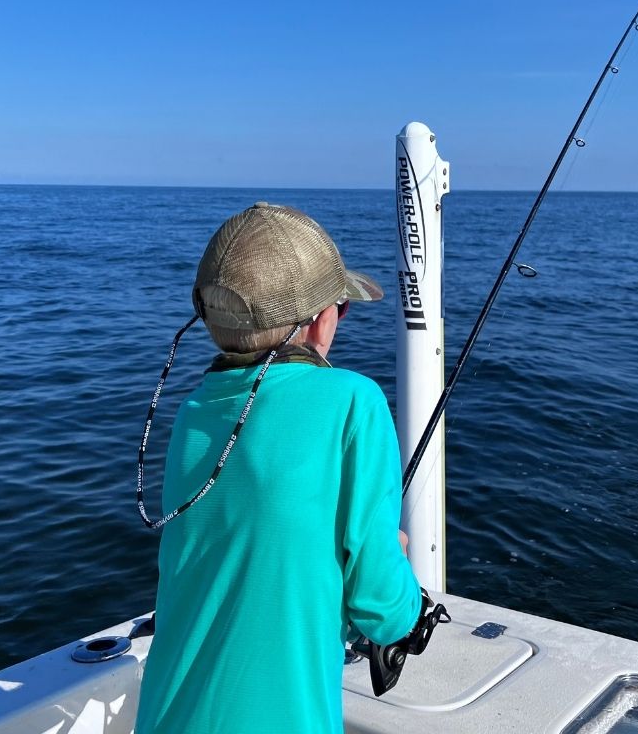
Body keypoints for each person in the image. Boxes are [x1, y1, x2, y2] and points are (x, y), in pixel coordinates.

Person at [134, 202, 423, 734]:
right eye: (342, 306)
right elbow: (381, 608)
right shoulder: (352, 401)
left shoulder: (193, 409)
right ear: (316, 322)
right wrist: (408, 594)